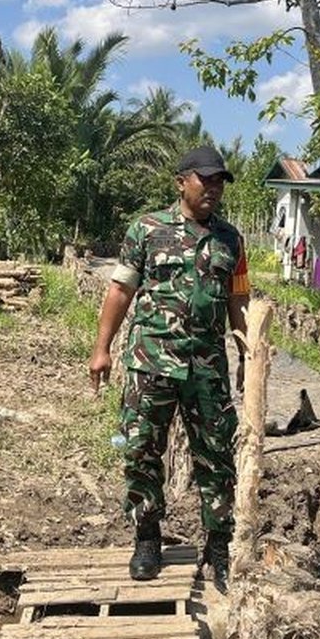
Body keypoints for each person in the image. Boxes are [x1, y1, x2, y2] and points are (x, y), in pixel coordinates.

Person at [88, 146, 249, 594]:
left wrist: (246, 356)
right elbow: (121, 290)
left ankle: (218, 546)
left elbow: (238, 300)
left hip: (207, 367)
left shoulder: (231, 240)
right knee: (140, 450)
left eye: (219, 182)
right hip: (151, 362)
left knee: (216, 456)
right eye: (206, 180)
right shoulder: (147, 229)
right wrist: (101, 349)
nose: (213, 188)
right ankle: (146, 538)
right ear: (181, 181)